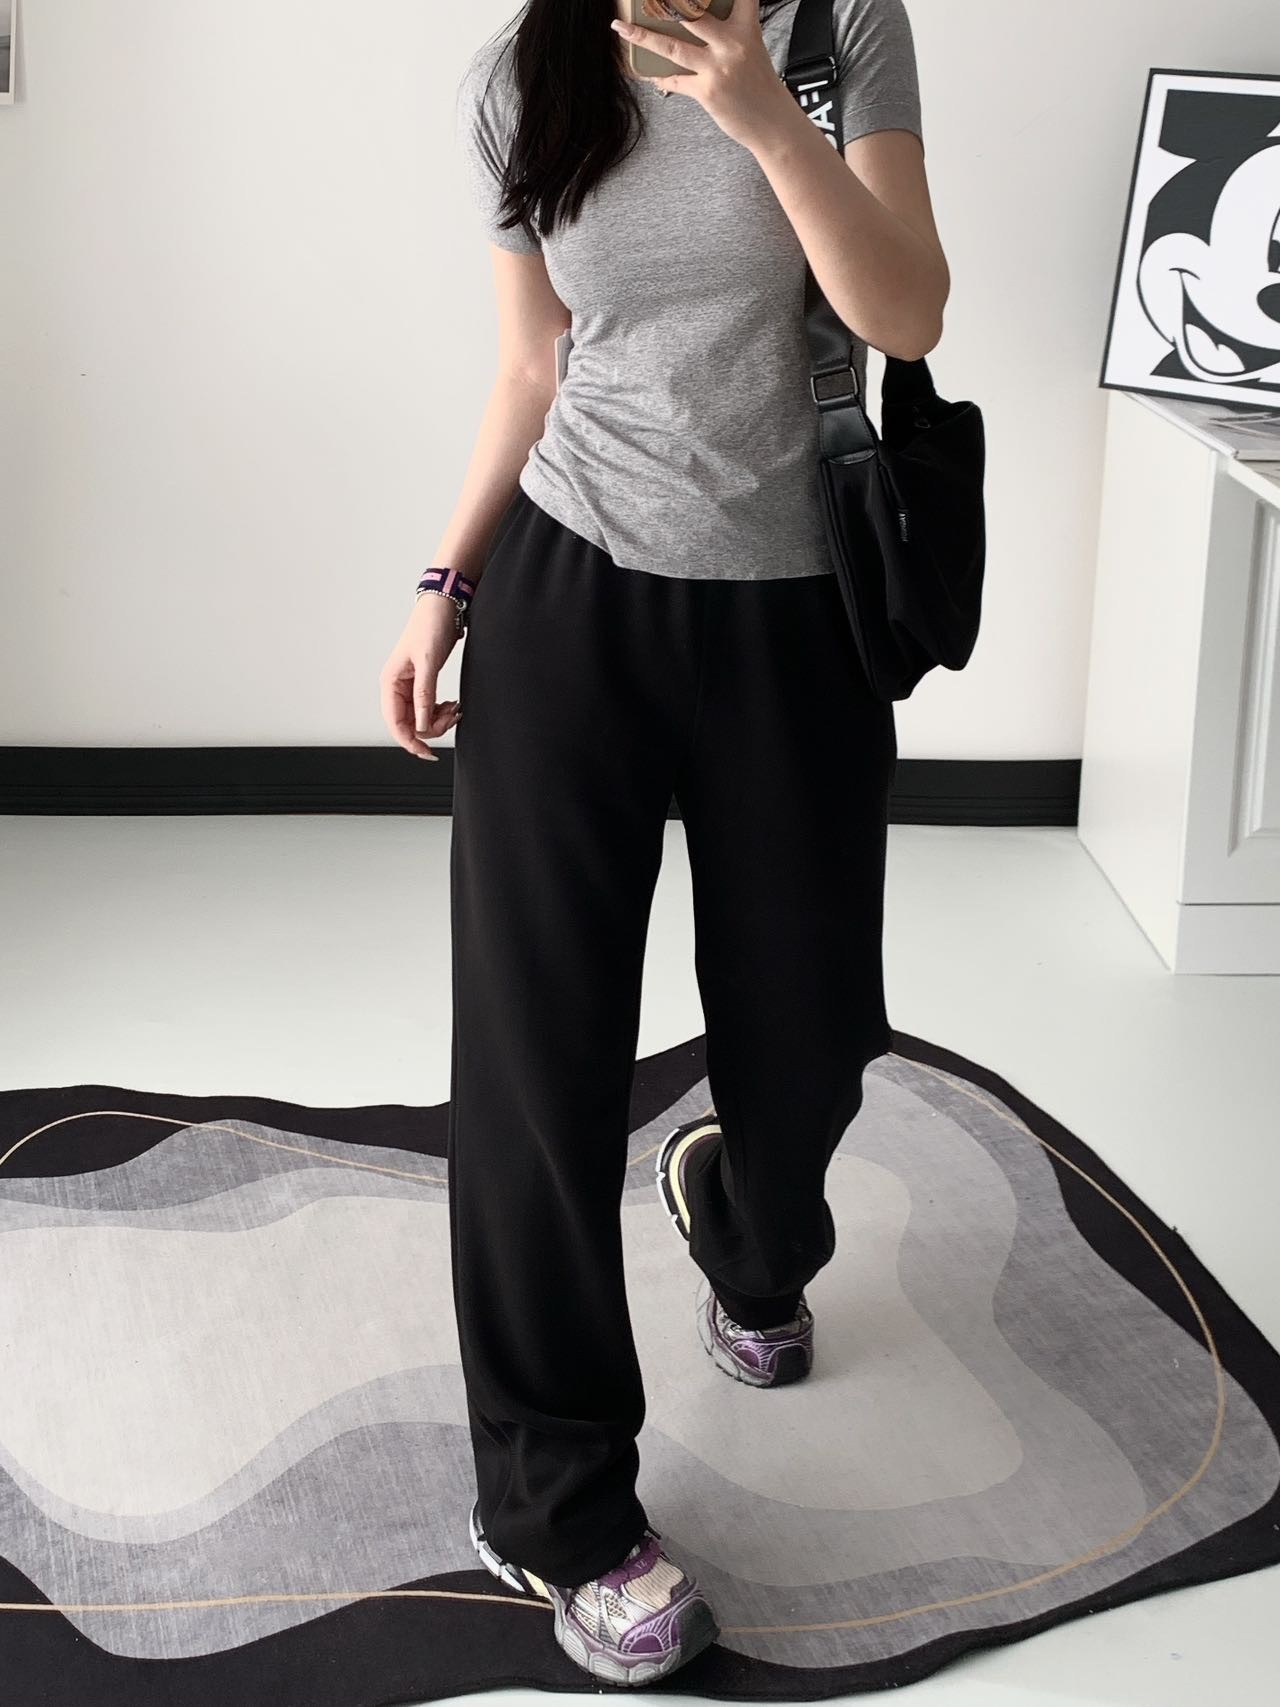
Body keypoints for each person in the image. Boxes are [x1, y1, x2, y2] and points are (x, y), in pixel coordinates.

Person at [379, 0, 948, 1686]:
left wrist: (767, 118)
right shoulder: (529, 71)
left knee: (812, 1031)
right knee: (536, 1065)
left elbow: (908, 309)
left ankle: (749, 1232)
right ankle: (557, 1507)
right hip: (572, 598)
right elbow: (532, 364)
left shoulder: (842, 26)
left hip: (800, 618)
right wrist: (445, 583)